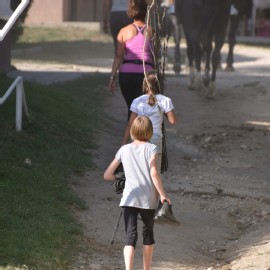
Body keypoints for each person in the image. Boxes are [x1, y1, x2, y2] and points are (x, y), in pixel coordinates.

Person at [104, 115, 171, 270]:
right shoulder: (151, 148)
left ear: (132, 131)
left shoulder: (124, 149)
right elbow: (154, 173)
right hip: (147, 199)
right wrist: (162, 195)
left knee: (130, 237)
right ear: (150, 132)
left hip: (129, 198)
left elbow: (107, 174)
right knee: (148, 235)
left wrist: (121, 180)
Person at [122, 71, 177, 173]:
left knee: (140, 172)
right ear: (160, 84)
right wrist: (163, 112)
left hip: (138, 139)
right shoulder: (165, 100)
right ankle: (155, 189)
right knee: (154, 173)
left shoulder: (137, 101)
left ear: (144, 85)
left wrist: (124, 143)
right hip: (155, 139)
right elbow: (173, 121)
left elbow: (130, 124)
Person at [109, 0, 154, 120]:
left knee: (132, 107)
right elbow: (156, 56)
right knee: (141, 110)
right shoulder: (152, 31)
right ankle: (138, 135)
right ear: (146, 12)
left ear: (131, 12)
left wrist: (112, 77)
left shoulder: (123, 32)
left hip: (126, 75)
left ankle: (132, 135)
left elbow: (118, 56)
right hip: (146, 75)